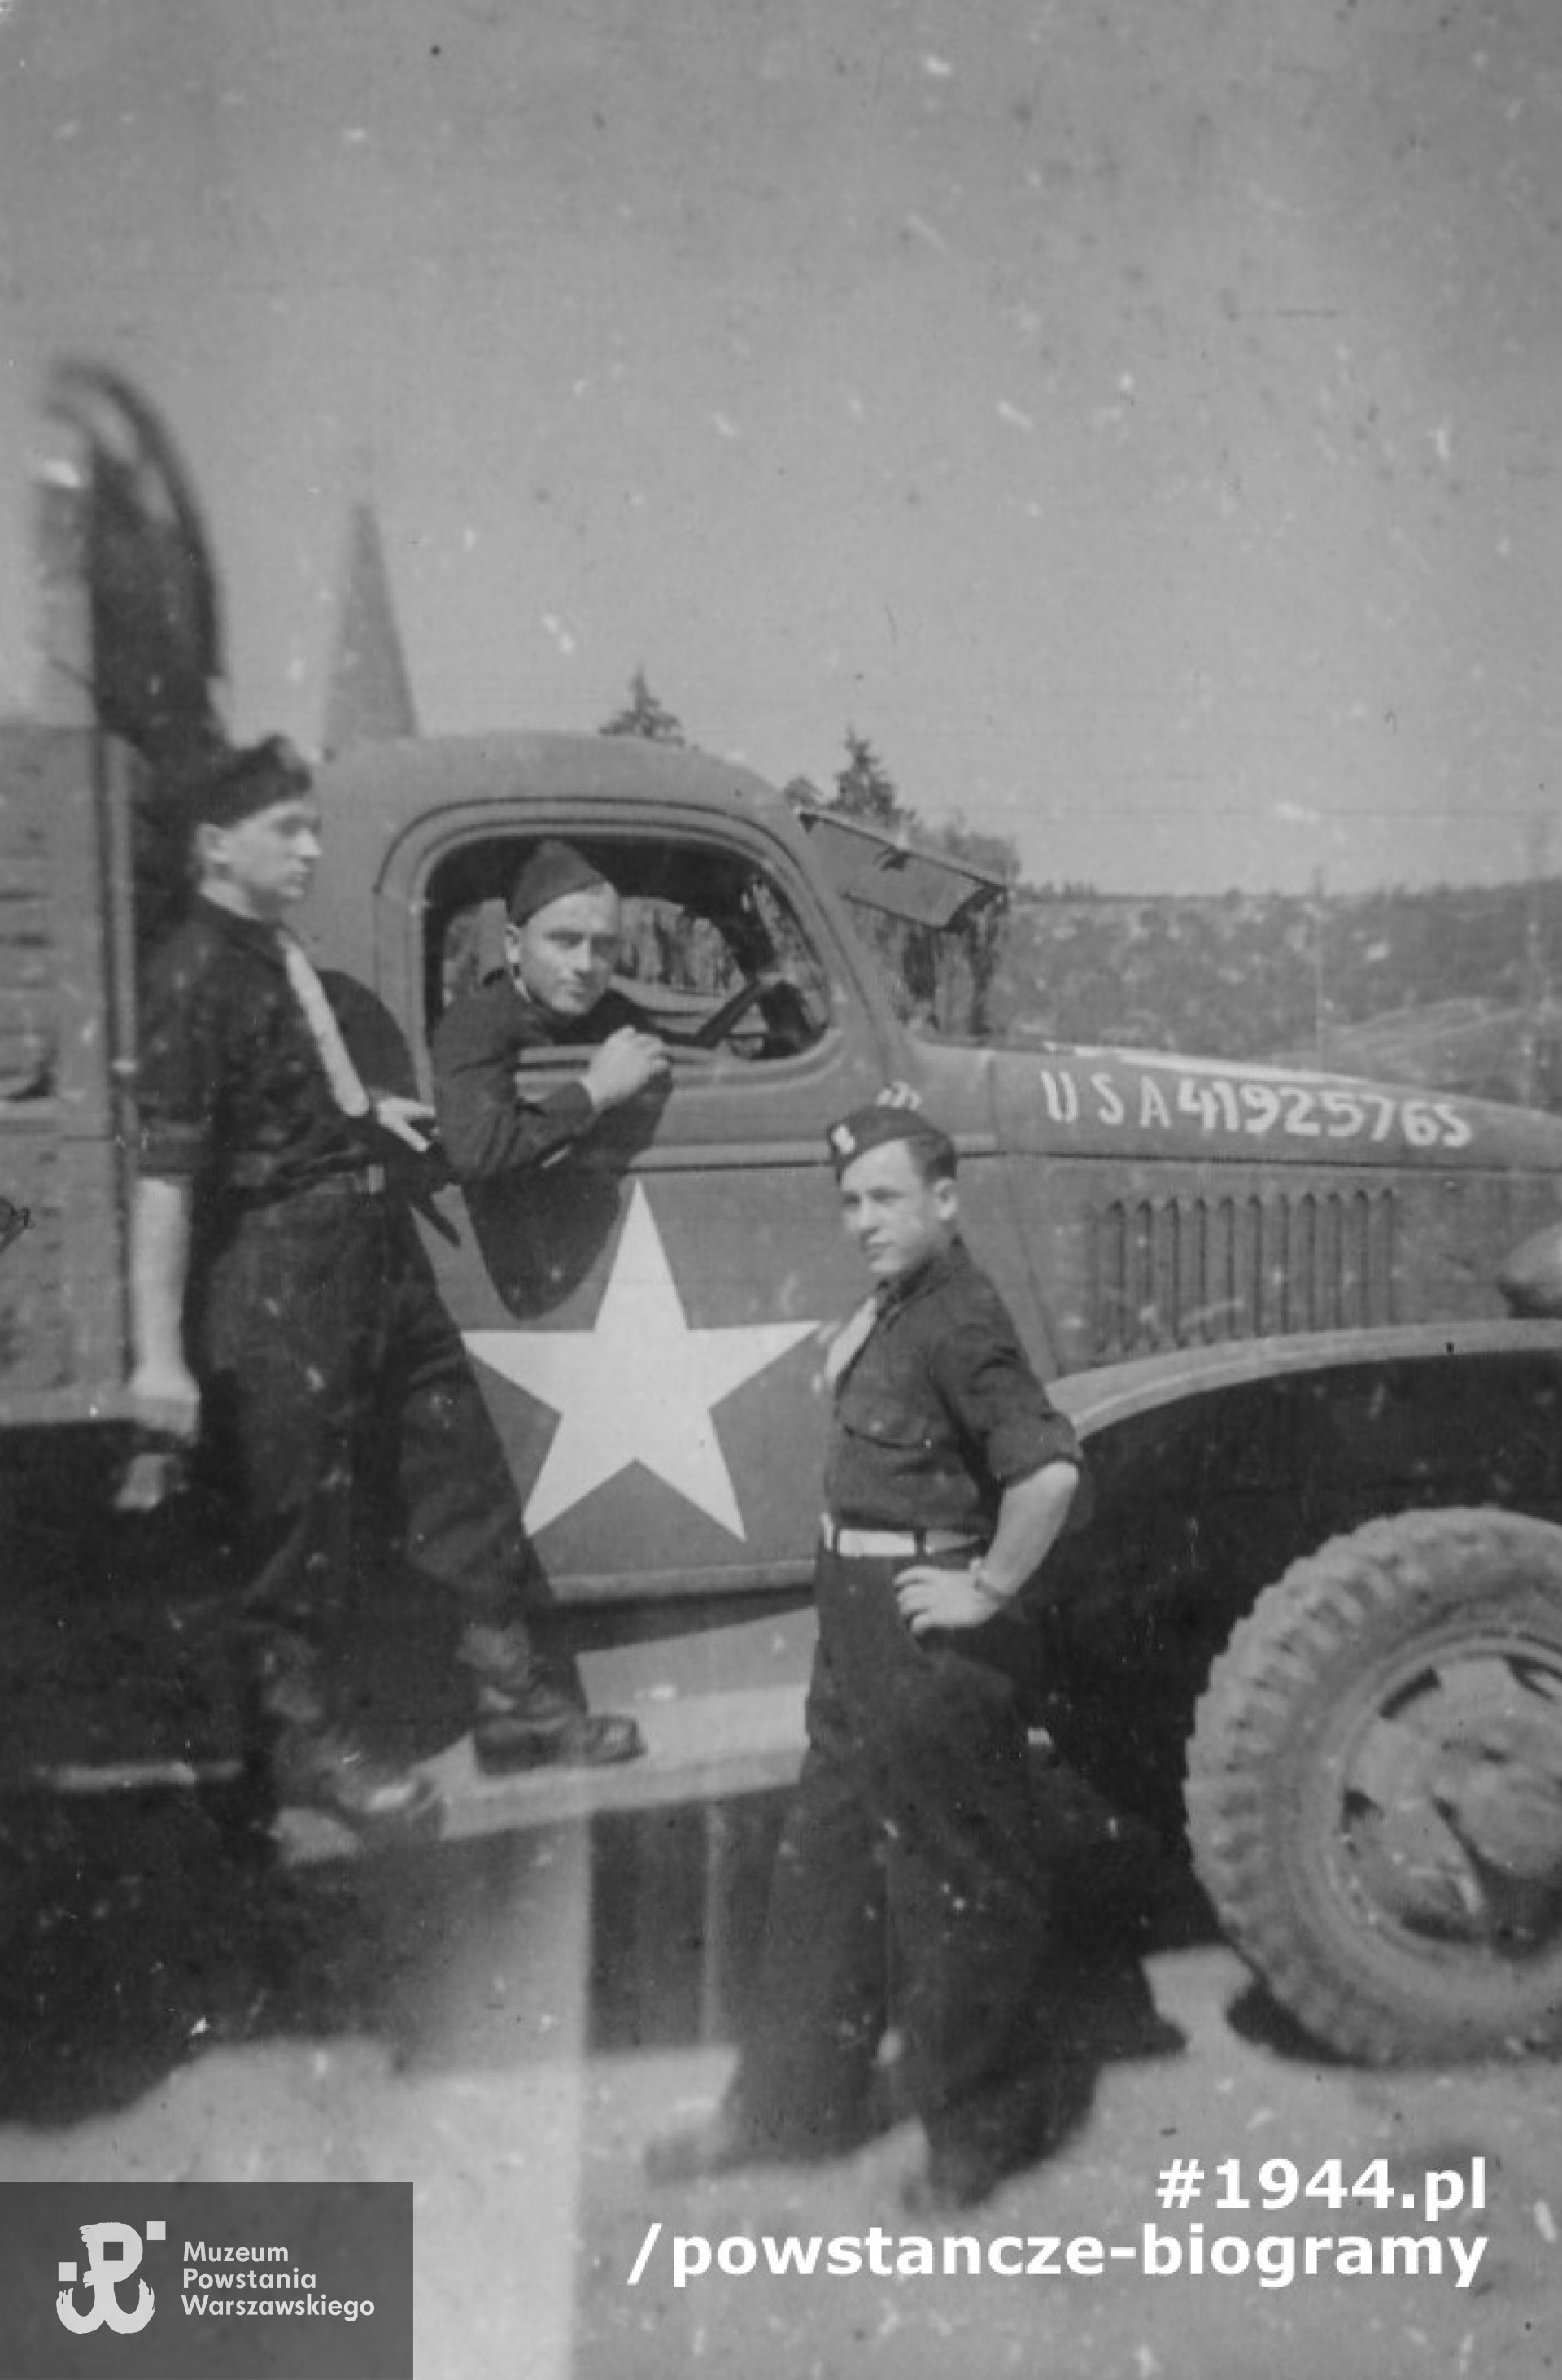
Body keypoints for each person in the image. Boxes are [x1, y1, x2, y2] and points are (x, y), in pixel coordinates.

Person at [129, 739, 643, 1841]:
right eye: (289, 830)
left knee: (460, 1474)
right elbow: (167, 1177)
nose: (313, 847)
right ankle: (301, 1750)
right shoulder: (190, 975)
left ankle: (513, 1699)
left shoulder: (270, 952)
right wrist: (157, 1355)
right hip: (281, 1272)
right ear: (219, 844)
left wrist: (367, 1113)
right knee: (295, 1520)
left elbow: (282, 1094)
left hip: (366, 1251)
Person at [648, 1103, 1084, 2211]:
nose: (863, 1219)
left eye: (888, 1197)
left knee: (955, 1886)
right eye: (850, 1201)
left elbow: (1048, 1474)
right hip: (855, 1617)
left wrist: (986, 1590)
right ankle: (786, 2112)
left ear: (947, 1200)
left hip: (922, 1622)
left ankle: (979, 2134)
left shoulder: (958, 1317)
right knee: (824, 1872)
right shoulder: (900, 1303)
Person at [430, 838, 669, 1188]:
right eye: (565, 941)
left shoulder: (612, 1011)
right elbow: (475, 1150)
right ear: (513, 946)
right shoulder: (476, 1022)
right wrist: (594, 1091)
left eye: (604, 945)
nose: (586, 965)